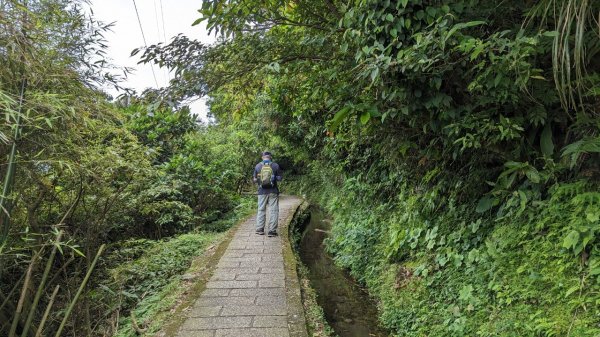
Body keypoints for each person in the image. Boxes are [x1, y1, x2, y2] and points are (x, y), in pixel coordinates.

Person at [253, 151, 283, 237]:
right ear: (270, 157)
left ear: (262, 157)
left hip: (261, 191)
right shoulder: (275, 165)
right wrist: (274, 178)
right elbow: (280, 178)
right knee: (273, 210)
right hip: (273, 191)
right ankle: (272, 231)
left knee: (261, 210)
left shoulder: (258, 166)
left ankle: (260, 229)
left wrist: (259, 179)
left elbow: (254, 180)